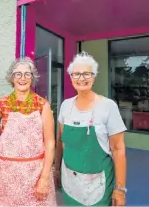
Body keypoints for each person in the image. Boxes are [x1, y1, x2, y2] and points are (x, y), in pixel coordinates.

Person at [54, 51, 127, 206]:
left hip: (99, 184)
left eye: (87, 74)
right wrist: (57, 169)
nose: (82, 78)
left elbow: (118, 149)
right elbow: (60, 141)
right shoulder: (66, 106)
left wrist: (120, 189)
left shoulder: (108, 106)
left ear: (94, 77)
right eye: (76, 74)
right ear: (71, 77)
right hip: (70, 181)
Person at [0, 58, 57, 206]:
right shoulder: (1, 104)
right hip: (7, 176)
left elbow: (50, 143)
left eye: (27, 74)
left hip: (36, 174)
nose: (22, 78)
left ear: (32, 78)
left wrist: (45, 177)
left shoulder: (42, 105)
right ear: (12, 77)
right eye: (18, 74)